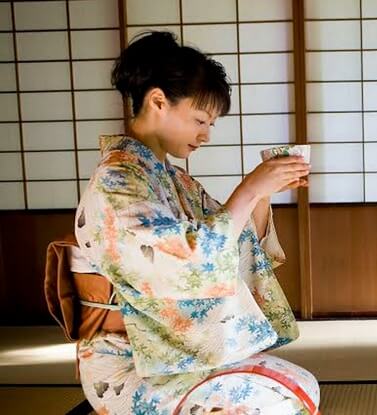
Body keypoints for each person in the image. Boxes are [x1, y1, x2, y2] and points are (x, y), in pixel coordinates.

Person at [73, 31, 317, 413]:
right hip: (130, 361)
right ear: (158, 101)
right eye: (200, 119)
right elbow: (192, 259)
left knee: (300, 386)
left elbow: (234, 240)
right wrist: (249, 188)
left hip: (172, 350)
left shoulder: (173, 179)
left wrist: (264, 190)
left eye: (211, 124)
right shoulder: (118, 181)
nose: (205, 135)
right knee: (274, 400)